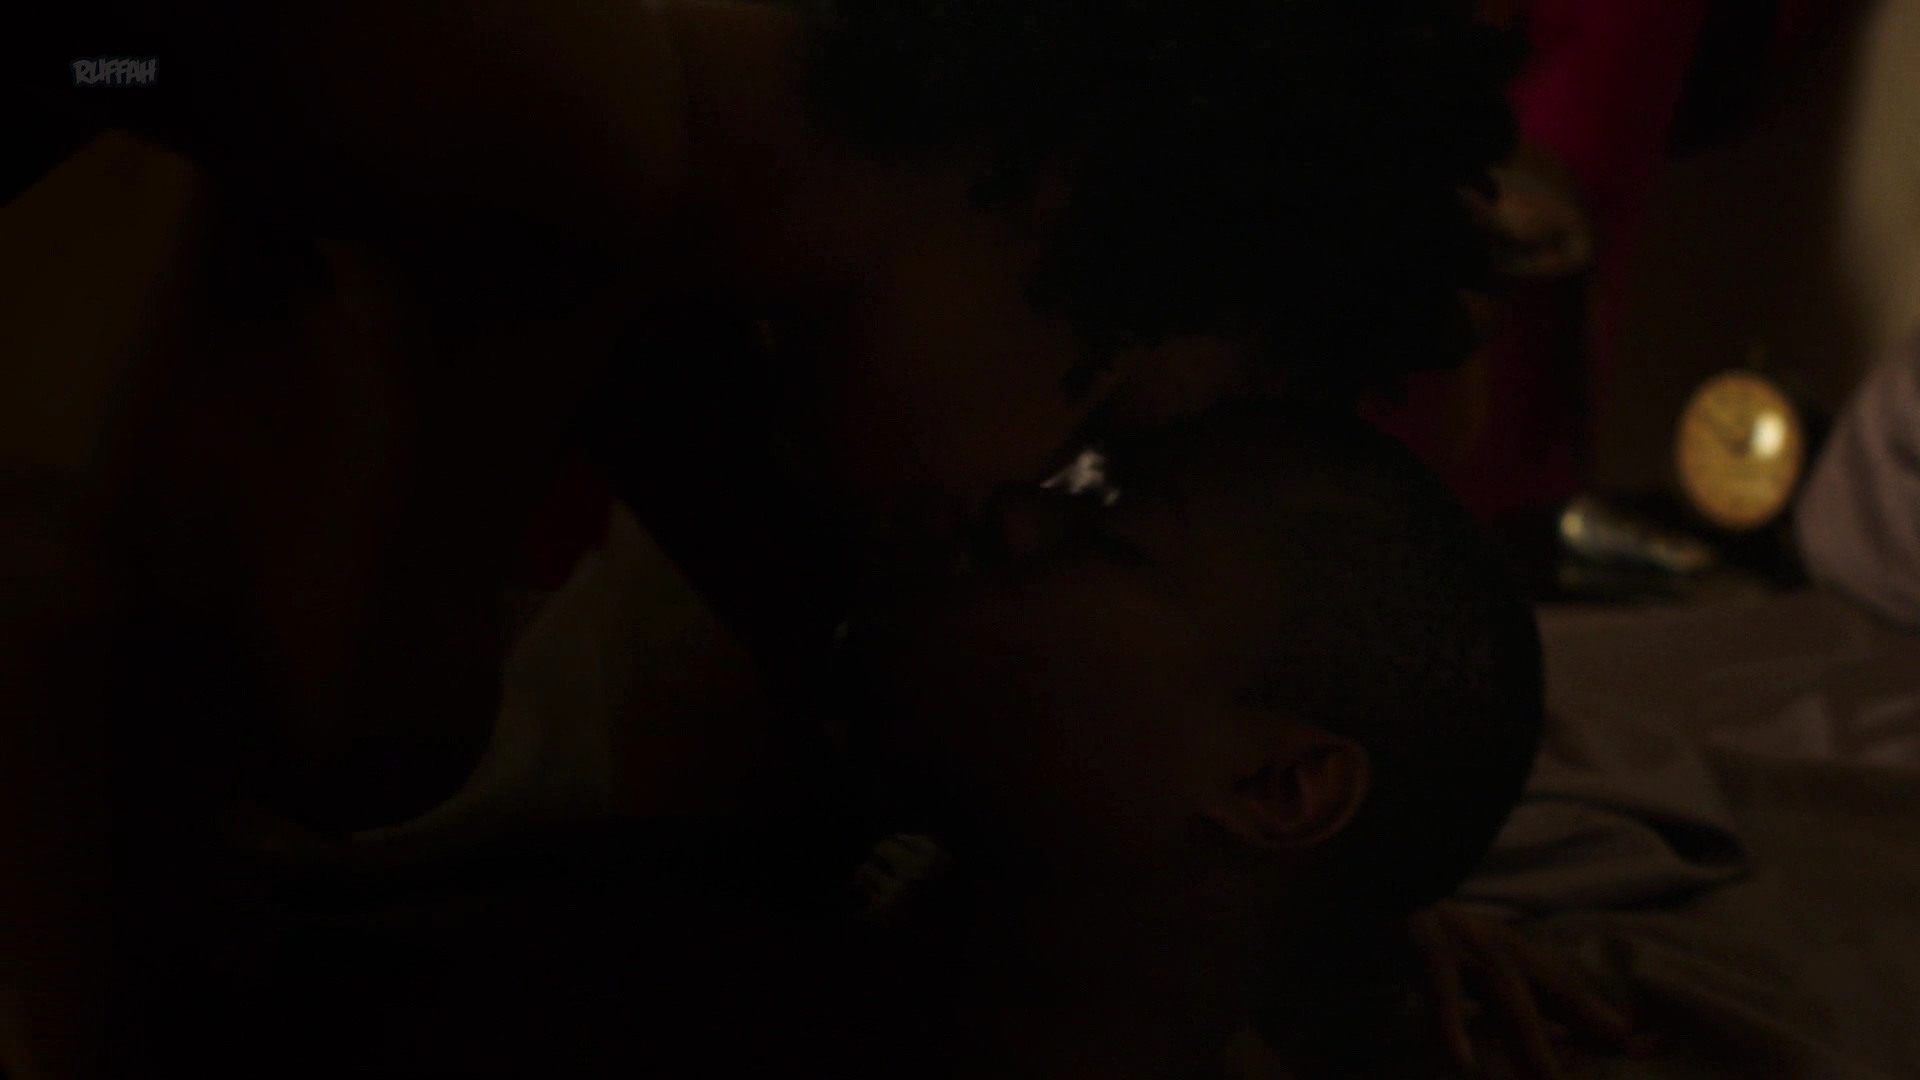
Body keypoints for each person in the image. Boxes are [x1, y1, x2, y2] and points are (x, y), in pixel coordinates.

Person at [6, 2, 1518, 1074]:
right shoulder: (575, 112)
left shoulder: (669, 217)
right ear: (1060, 197)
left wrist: (1318, 882)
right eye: (1099, 441)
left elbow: (836, 623)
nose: (1024, 502)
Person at [217, 401, 1572, 1079]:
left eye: (1106, 535)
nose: (1010, 511)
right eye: (1066, 489)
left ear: (1280, 784)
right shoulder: (798, 888)